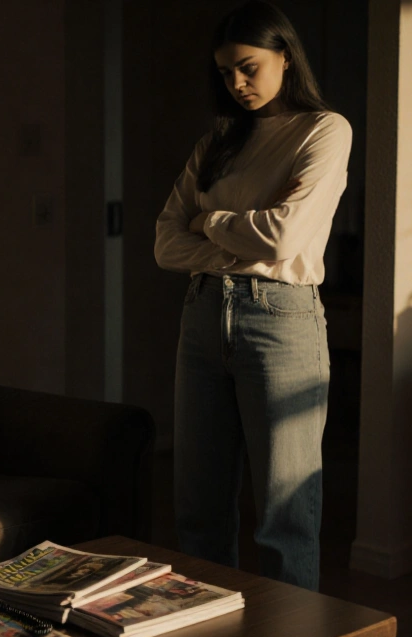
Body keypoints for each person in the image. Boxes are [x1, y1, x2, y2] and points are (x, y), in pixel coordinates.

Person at [154, 0, 351, 591]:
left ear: (285, 57)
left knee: (285, 517)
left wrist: (210, 221)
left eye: (248, 67)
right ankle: (212, 633)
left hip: (280, 320)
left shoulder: (324, 130)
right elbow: (165, 244)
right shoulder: (217, 143)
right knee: (199, 510)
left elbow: (284, 236)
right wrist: (242, 241)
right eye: (225, 73)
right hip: (202, 314)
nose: (237, 84)